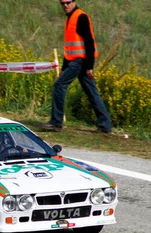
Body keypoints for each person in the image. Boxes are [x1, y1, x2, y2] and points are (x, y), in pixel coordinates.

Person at [41, 0, 112, 134]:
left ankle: (56, 122)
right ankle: (105, 125)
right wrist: (64, 67)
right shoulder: (70, 19)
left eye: (68, 2)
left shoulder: (81, 17)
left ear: (74, 2)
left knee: (59, 85)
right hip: (76, 61)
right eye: (62, 3)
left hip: (81, 61)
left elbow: (89, 42)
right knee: (91, 92)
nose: (65, 6)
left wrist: (90, 66)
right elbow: (69, 48)